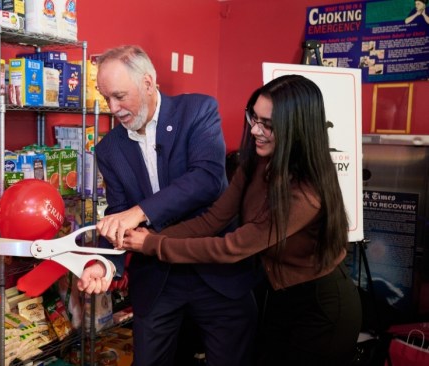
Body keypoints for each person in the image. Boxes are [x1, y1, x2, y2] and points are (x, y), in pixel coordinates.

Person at [119, 74, 363, 365]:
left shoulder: (305, 192)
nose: (256, 130)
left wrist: (152, 245)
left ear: (297, 128)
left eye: (268, 125)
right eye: (253, 118)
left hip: (321, 308)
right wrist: (152, 236)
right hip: (277, 297)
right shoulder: (256, 162)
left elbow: (231, 248)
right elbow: (212, 220)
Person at [77, 45, 259, 366]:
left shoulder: (197, 111)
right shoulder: (110, 149)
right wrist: (104, 265)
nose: (113, 108)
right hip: (158, 280)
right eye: (106, 98)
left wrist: (139, 213)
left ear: (148, 83)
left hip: (215, 271)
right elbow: (117, 213)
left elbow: (206, 179)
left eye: (120, 96)